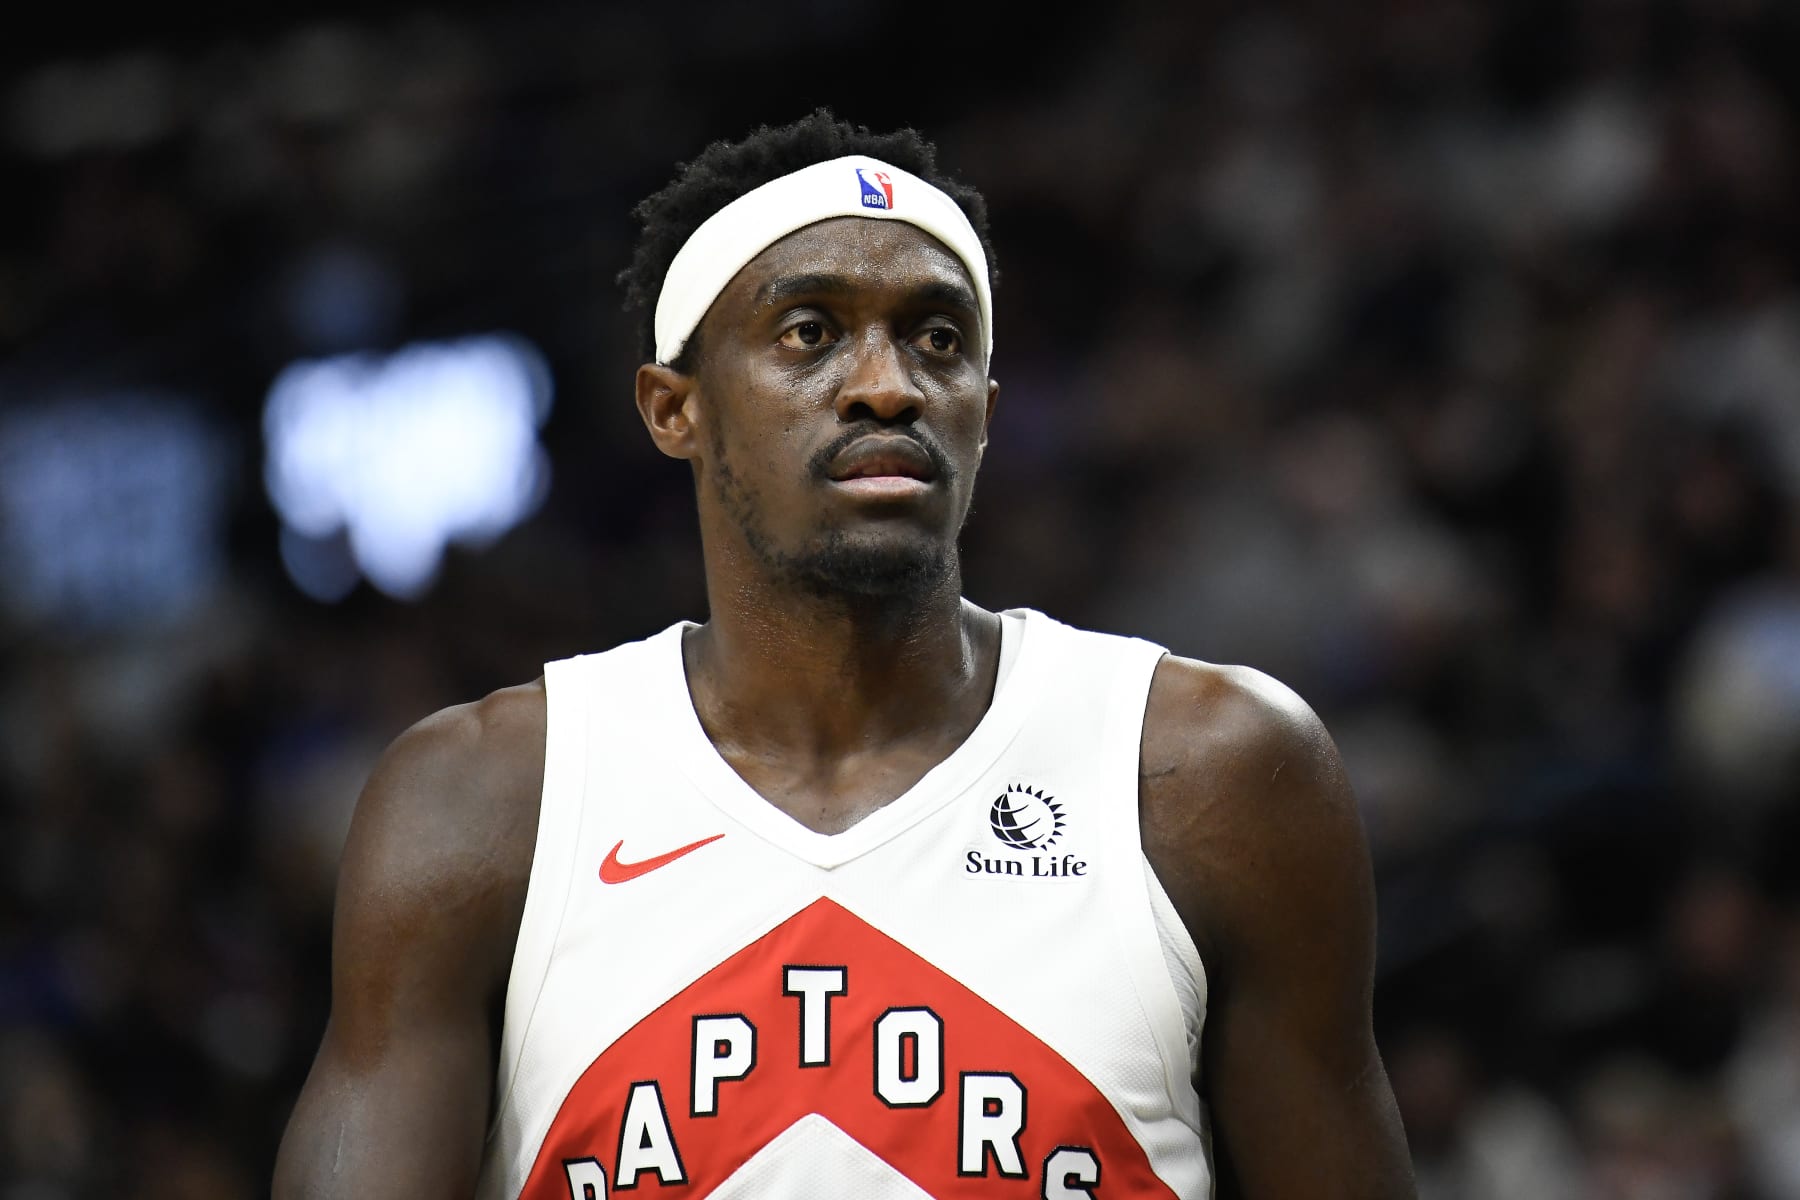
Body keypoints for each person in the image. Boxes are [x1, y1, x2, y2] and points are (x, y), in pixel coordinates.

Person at [272, 110, 1417, 1199]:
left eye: (937, 338)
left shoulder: (1210, 775)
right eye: (810, 332)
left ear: (985, 407)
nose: (888, 383)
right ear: (675, 409)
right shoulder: (480, 803)